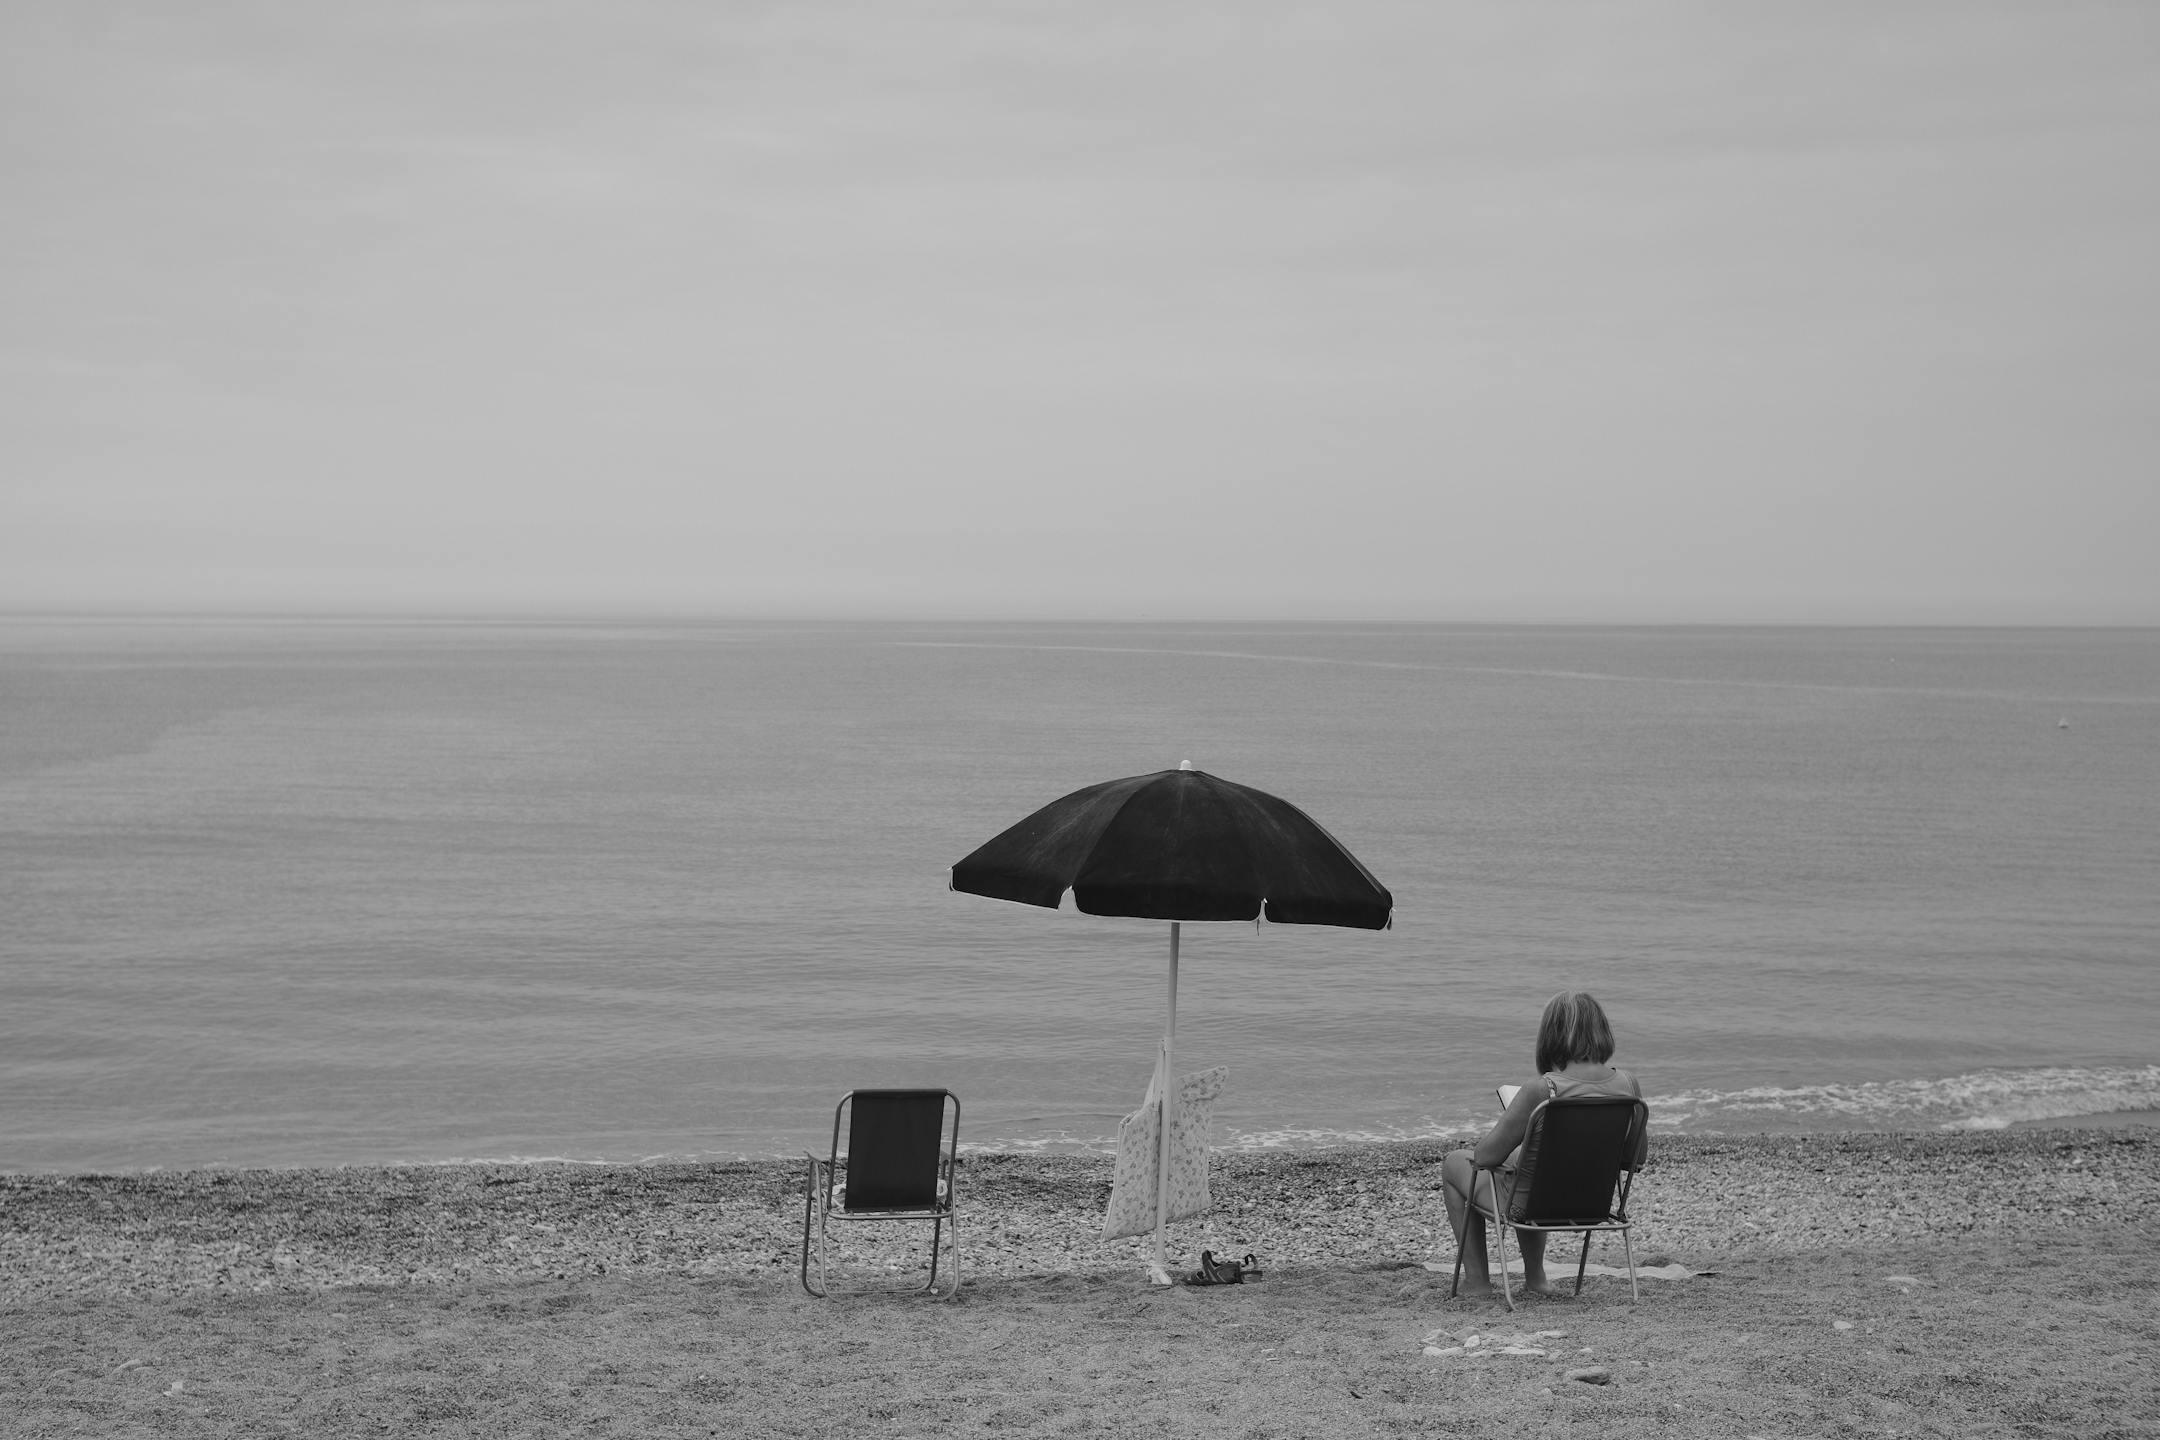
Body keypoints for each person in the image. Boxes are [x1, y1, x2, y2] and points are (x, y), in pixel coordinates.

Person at [1440, 991, 1647, 1297]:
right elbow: (1635, 1160)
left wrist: (1513, 1133)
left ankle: (1477, 1283)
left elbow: (1485, 1156)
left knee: (1455, 1163)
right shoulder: (1628, 1085)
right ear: (1602, 1031)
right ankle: (1535, 1279)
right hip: (1593, 1204)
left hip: (1533, 1205)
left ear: (1551, 1036)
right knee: (1528, 1161)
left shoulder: (1542, 1089)